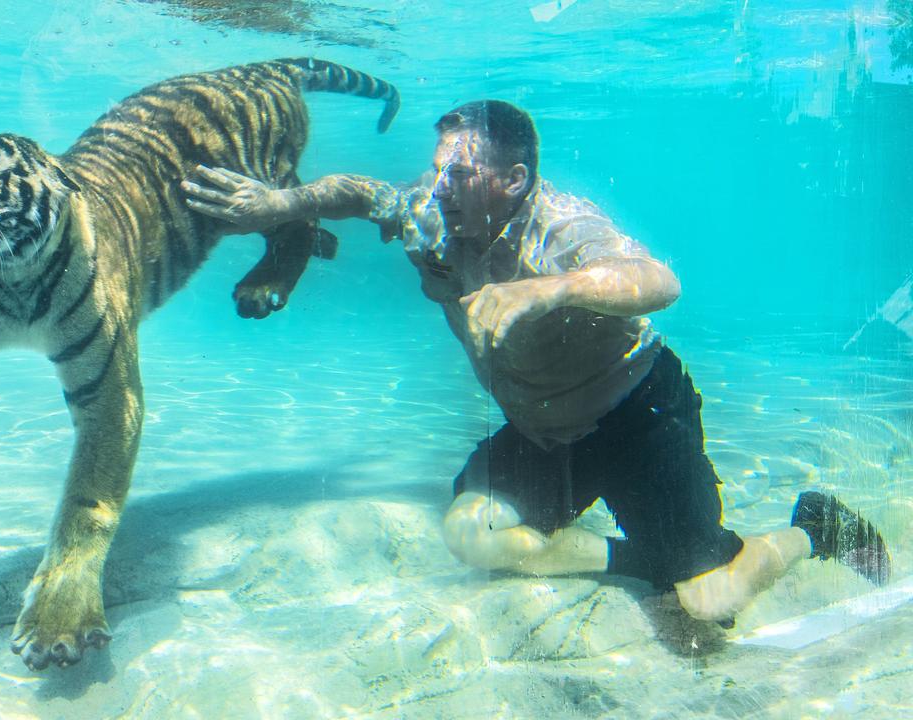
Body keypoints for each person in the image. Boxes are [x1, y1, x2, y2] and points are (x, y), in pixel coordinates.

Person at [180, 99, 892, 623]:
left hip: (639, 417)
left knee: (709, 608)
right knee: (470, 535)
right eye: (437, 172)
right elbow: (361, 194)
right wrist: (278, 203)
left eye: (459, 173)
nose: (438, 188)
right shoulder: (434, 216)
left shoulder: (562, 227)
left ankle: (814, 528)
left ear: (513, 180)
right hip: (542, 431)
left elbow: (657, 282)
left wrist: (549, 290)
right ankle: (650, 558)